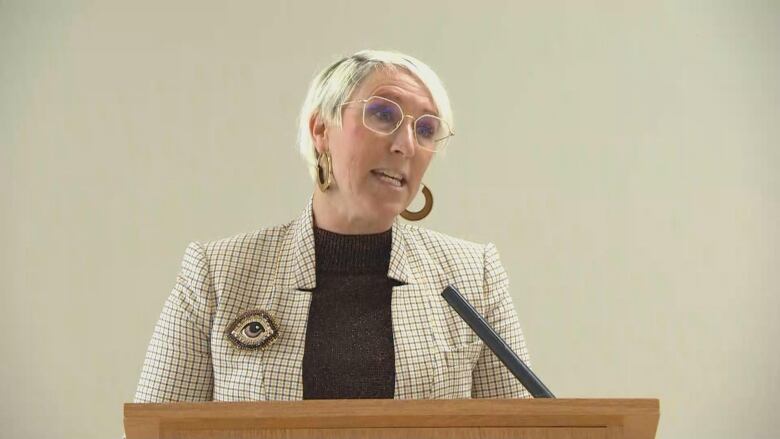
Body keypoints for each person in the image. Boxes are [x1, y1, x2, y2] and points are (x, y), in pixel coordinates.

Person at [134, 49, 532, 402]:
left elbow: (525, 432)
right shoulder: (219, 273)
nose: (406, 145)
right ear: (321, 130)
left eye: (426, 129)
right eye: (383, 113)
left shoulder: (472, 274)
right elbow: (154, 430)